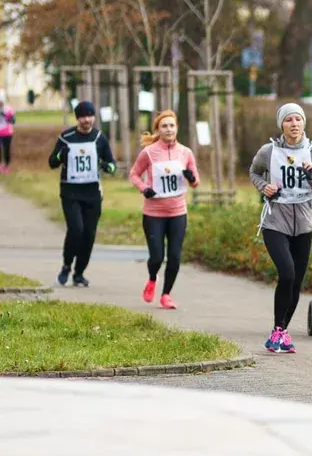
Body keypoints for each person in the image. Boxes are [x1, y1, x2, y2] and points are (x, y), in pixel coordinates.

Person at [249, 102, 312, 353]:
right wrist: (264, 188)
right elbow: (254, 172)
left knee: (296, 282)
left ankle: (282, 332)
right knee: (287, 273)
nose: (294, 124)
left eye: (298, 119)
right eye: (288, 120)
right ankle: (277, 329)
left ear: (304, 123)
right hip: (275, 221)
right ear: (281, 125)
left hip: (303, 225)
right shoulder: (269, 151)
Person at [128, 110, 199, 310]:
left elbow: (195, 181)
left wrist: (191, 178)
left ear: (177, 128)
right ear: (158, 130)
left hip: (178, 212)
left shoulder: (185, 153)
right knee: (157, 256)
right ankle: (152, 279)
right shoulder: (149, 152)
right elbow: (134, 174)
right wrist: (144, 189)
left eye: (171, 126)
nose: (168, 129)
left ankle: (166, 294)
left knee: (175, 256)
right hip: (154, 214)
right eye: (164, 126)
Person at [48, 101, 117, 287]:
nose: (87, 120)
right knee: (76, 229)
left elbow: (112, 165)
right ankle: (66, 265)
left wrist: (106, 166)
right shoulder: (67, 137)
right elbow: (52, 162)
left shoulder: (99, 138)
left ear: (94, 117)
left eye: (90, 116)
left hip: (92, 193)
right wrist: (61, 155)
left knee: (89, 233)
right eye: (82, 116)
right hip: (71, 192)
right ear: (77, 118)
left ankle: (79, 272)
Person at [0, 93, 14, 174]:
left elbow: (13, 121)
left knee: (6, 150)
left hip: (7, 133)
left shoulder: (8, 109)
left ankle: (6, 166)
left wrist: (5, 115)